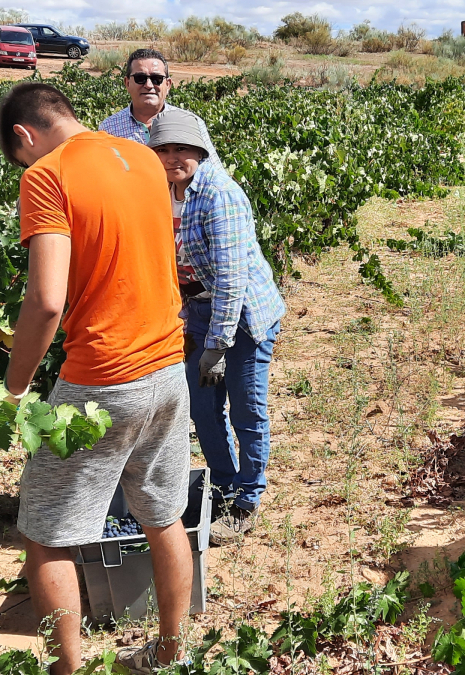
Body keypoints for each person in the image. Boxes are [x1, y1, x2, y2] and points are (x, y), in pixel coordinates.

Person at [0, 82, 194, 675]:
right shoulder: (139, 155)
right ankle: (169, 652)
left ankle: (68, 672)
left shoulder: (46, 176)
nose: (25, 168)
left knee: (45, 534)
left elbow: (47, 301)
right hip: (167, 363)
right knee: (163, 515)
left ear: (25, 136)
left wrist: (14, 386)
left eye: (21, 158)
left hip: (103, 377)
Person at [148, 109, 287, 545]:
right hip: (199, 311)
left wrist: (219, 345)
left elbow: (232, 280)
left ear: (200, 152)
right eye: (163, 150)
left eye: (182, 150)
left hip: (242, 317)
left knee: (246, 409)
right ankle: (223, 485)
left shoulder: (218, 195)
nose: (172, 158)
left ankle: (247, 499)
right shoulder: (160, 191)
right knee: (203, 409)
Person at [99, 48, 219, 162]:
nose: (149, 85)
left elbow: (215, 173)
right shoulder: (109, 128)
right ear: (127, 83)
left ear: (168, 85)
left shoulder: (192, 123)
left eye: (157, 78)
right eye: (140, 78)